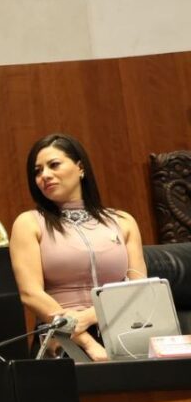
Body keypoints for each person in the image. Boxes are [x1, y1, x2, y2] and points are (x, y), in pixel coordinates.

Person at [9, 133, 146, 361]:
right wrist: (88, 343)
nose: (45, 175)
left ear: (80, 167)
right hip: (61, 340)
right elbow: (30, 294)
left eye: (54, 165)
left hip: (123, 332)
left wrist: (91, 316)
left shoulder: (123, 222)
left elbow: (140, 290)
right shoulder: (29, 223)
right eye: (38, 171)